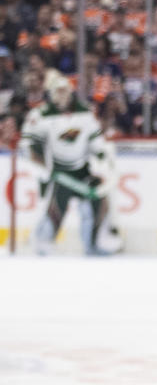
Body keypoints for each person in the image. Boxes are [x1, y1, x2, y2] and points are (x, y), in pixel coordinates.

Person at [19, 74, 116, 255]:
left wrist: (103, 157)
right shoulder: (40, 115)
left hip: (82, 170)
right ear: (51, 93)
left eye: (65, 90)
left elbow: (95, 141)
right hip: (58, 171)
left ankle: (94, 242)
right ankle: (43, 242)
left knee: (98, 201)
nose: (61, 95)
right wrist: (40, 168)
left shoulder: (85, 112)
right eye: (58, 91)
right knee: (57, 207)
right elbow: (29, 145)